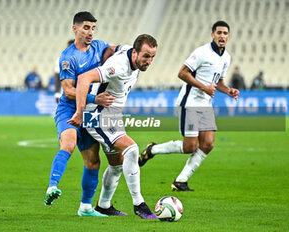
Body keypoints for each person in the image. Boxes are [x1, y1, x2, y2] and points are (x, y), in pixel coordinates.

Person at [139, 21, 239, 191]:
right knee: (190, 147)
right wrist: (203, 87)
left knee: (208, 144)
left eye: (225, 33)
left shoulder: (226, 57)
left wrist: (228, 90)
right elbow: (182, 73)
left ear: (228, 36)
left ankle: (181, 181)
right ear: (212, 35)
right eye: (219, 33)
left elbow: (218, 82)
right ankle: (152, 150)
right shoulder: (202, 52)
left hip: (205, 104)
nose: (222, 36)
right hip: (190, 103)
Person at [68, 34, 158, 219]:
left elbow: (111, 48)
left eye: (152, 57)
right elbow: (85, 78)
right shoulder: (118, 66)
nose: (149, 61)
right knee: (132, 149)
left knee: (116, 165)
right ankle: (139, 204)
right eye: (146, 56)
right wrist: (79, 112)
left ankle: (103, 206)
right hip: (96, 114)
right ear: (135, 52)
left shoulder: (127, 52)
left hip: (112, 115)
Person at [44, 11, 124, 217]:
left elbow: (115, 48)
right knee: (68, 143)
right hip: (69, 109)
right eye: (86, 28)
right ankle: (52, 187)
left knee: (93, 162)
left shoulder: (98, 46)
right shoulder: (68, 57)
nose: (90, 32)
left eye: (93, 28)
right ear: (75, 29)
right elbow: (69, 90)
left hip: (90, 111)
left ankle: (86, 208)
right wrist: (93, 98)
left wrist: (131, 50)